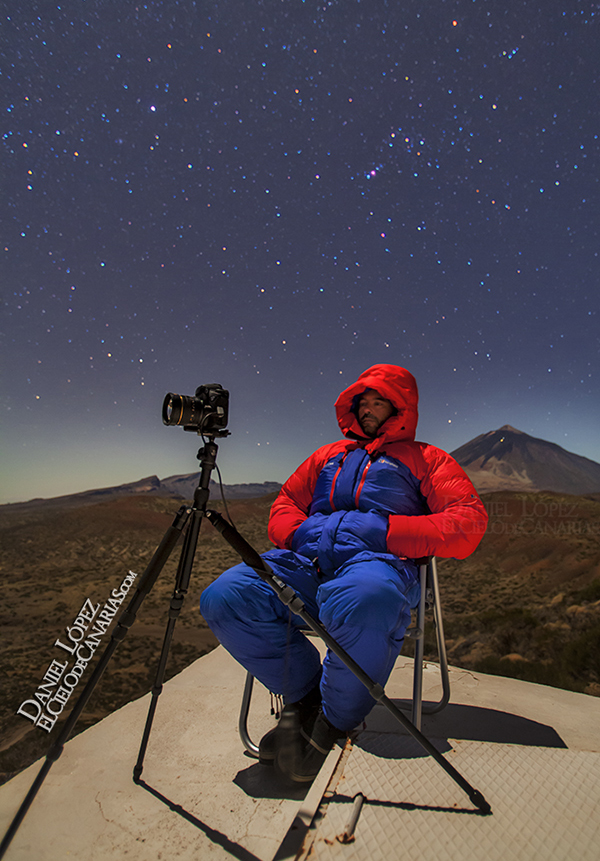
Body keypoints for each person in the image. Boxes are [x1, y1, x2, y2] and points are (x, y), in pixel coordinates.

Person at [200, 364, 488, 784]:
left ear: (400, 408)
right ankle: (306, 697)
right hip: (309, 565)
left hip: (377, 567)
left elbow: (468, 523)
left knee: (364, 599)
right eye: (363, 403)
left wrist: (385, 532)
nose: (368, 410)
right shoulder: (327, 456)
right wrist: (302, 533)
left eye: (379, 402)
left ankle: (334, 720)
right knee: (226, 596)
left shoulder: (427, 459)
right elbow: (284, 506)